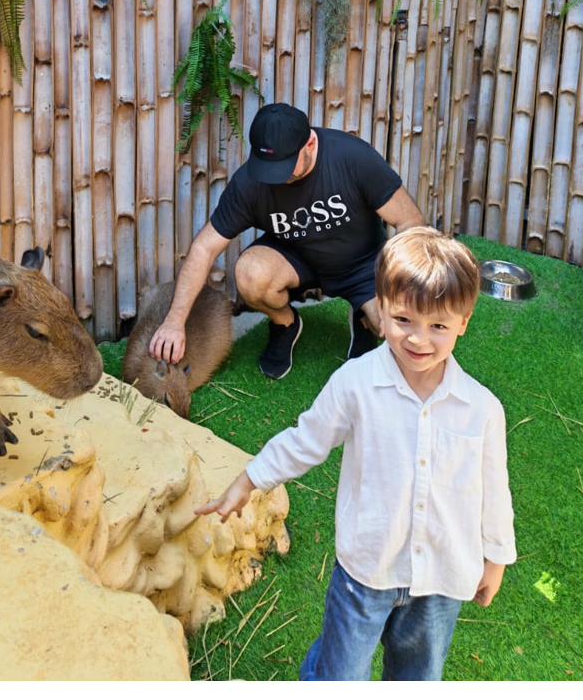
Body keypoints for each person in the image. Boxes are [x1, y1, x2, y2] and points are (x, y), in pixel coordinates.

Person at [196, 227, 517, 682]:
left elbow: (493, 488)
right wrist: (250, 480)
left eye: (439, 326)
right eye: (404, 320)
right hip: (366, 571)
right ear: (381, 311)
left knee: (418, 677)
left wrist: (497, 557)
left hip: (442, 579)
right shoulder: (356, 383)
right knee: (340, 675)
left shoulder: (482, 409)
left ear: (464, 322)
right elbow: (306, 439)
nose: (419, 340)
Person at [150, 102, 424, 379]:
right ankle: (286, 324)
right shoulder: (250, 182)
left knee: (393, 326)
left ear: (311, 144)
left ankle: (364, 317)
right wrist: (174, 322)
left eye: (285, 167)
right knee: (249, 274)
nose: (277, 178)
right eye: (268, 167)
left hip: (361, 266)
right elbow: (204, 248)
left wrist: (395, 292)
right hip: (297, 260)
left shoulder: (353, 157)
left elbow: (411, 223)